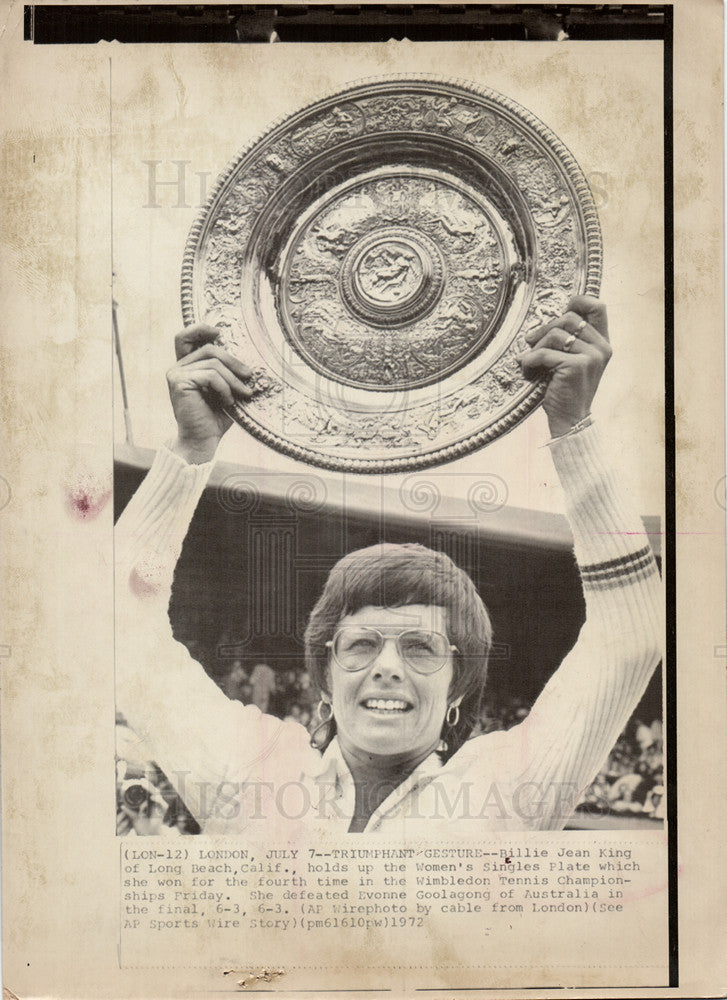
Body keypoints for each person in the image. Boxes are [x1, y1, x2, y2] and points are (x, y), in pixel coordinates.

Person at [115, 296, 662, 835]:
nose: (388, 667)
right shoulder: (252, 770)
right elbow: (120, 630)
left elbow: (629, 641)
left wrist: (573, 428)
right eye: (360, 644)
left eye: (421, 647)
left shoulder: (503, 794)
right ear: (324, 678)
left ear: (457, 689)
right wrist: (190, 450)